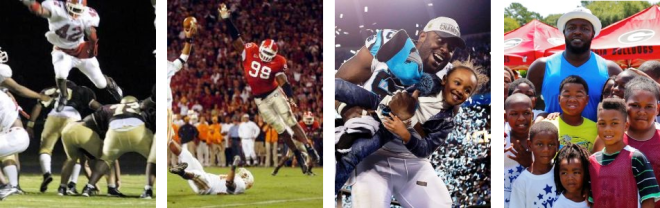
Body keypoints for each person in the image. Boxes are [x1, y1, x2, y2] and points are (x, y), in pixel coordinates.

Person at [218, 4, 318, 173]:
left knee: (291, 121)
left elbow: (282, 80)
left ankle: (309, 148)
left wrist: (291, 96)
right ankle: (297, 154)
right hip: (260, 100)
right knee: (280, 129)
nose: (266, 57)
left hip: (274, 94)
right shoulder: (250, 50)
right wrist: (227, 19)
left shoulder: (279, 61)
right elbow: (236, 39)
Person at [20, 0, 123, 110]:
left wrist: (92, 44)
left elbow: (90, 31)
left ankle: (110, 84)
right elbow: (41, 11)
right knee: (60, 75)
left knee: (100, 84)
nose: (75, 14)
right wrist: (31, 3)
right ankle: (63, 95)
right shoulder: (58, 9)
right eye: (73, 9)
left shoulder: (88, 15)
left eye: (78, 10)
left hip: (81, 50)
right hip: (62, 51)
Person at [527, 6, 622, 121]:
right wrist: (540, 117)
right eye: (571, 28)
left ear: (593, 33)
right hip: (551, 137)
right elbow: (523, 103)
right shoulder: (542, 66)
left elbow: (626, 104)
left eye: (584, 28)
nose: (577, 32)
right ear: (564, 32)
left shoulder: (610, 68)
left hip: (597, 138)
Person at [27, 81, 102, 193]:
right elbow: (96, 106)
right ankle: (72, 184)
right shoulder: (81, 90)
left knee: (45, 149)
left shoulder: (52, 90)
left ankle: (47, 173)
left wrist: (30, 125)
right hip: (73, 117)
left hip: (53, 116)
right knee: (75, 153)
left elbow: (38, 106)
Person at [590, 98, 660, 207]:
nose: (608, 129)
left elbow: (648, 200)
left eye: (614, 123)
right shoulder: (591, 162)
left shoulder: (636, 158)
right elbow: (591, 200)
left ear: (625, 126)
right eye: (602, 123)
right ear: (597, 126)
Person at [79, 96, 154, 197]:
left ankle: (88, 187)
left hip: (114, 131)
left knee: (105, 160)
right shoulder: (140, 105)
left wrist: (100, 131)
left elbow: (88, 119)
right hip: (137, 130)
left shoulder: (109, 107)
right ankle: (148, 190)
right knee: (154, 159)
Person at [169, 139, 253, 195]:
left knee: (197, 174)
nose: (241, 174)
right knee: (187, 156)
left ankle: (181, 172)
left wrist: (234, 166)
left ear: (246, 181)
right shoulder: (238, 181)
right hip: (206, 177)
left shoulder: (241, 185)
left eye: (244, 176)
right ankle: (168, 139)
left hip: (208, 187)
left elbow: (229, 184)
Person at [509, 121, 559, 207]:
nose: (546, 149)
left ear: (558, 145)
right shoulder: (522, 182)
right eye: (540, 144)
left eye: (551, 144)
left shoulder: (562, 174)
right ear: (530, 145)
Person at [544, 75, 597, 152]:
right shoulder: (546, 126)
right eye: (566, 95)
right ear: (559, 99)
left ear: (587, 100)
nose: (572, 100)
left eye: (578, 95)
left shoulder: (596, 129)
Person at [503, 94, 534, 208]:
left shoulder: (541, 140)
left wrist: (530, 163)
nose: (521, 118)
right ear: (505, 117)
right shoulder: (501, 138)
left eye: (526, 113)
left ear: (533, 114)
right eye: (514, 114)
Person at [0, 91, 33, 198]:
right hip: (16, 135)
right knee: (10, 157)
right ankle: (12, 186)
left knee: (9, 157)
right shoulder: (5, 96)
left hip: (14, 135)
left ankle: (6, 185)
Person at [553, 143, 590, 207]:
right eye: (564, 173)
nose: (570, 178)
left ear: (586, 173)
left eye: (576, 172)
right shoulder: (559, 205)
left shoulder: (592, 199)